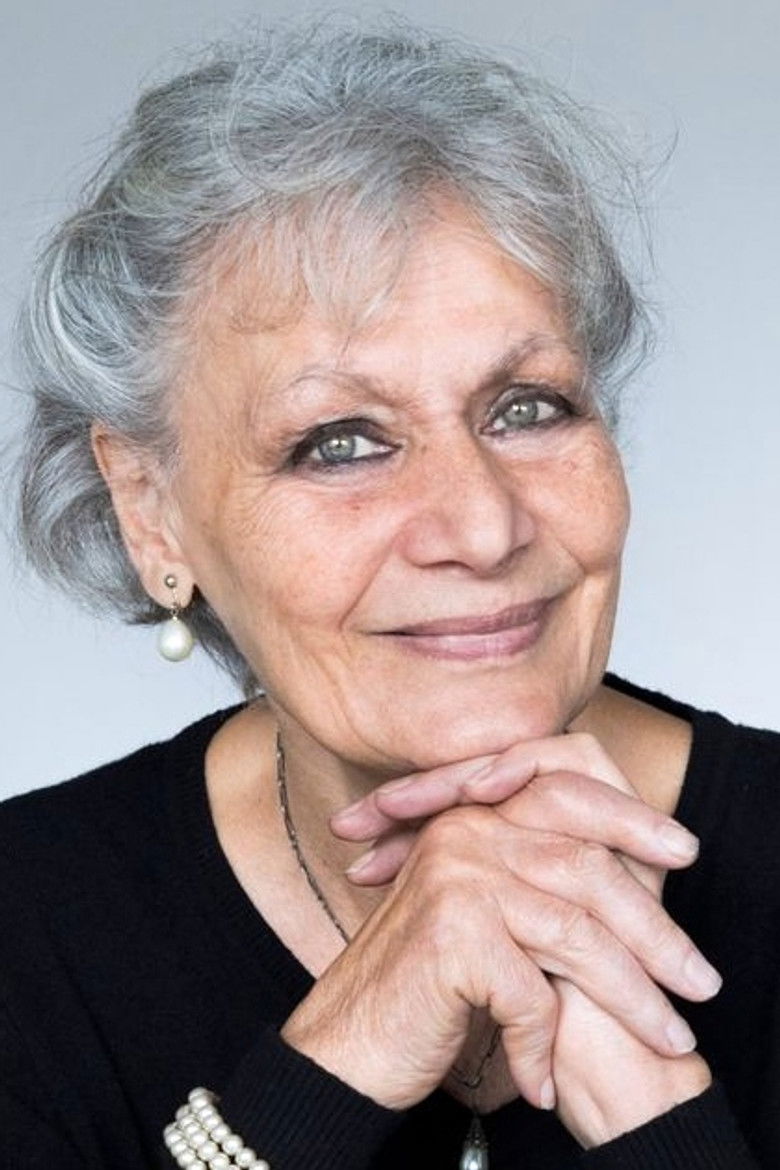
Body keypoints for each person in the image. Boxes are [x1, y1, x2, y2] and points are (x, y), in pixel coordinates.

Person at [3, 15, 778, 1170]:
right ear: (151, 511)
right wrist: (338, 1060)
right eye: (340, 442)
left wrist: (658, 1115)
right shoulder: (27, 935)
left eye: (528, 408)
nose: (483, 527)